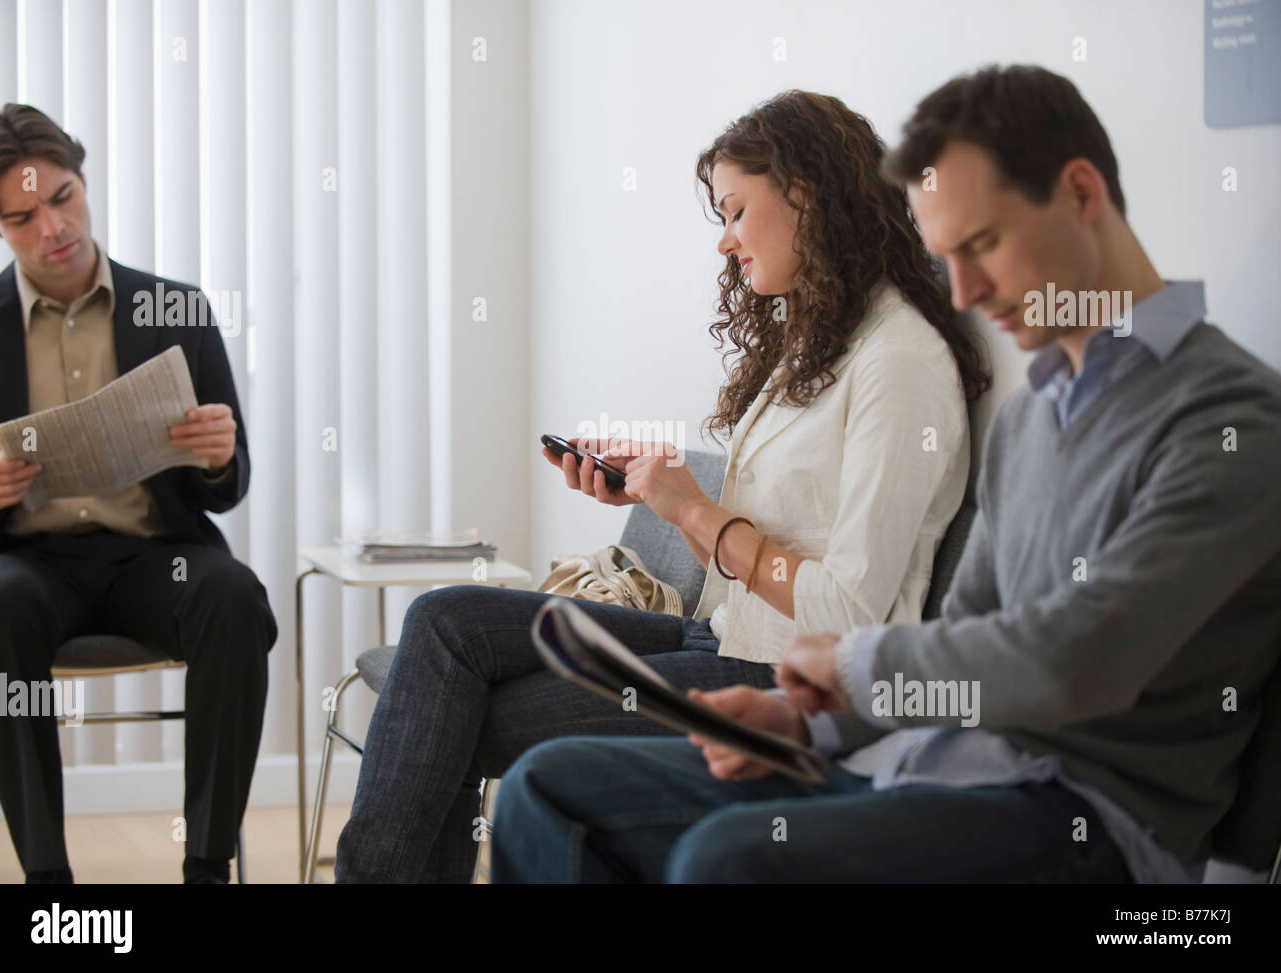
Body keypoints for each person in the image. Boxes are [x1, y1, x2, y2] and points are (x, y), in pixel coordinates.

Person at [488, 64, 1281, 884]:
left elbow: (1078, 660)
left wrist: (853, 670)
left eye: (980, 246)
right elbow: (958, 643)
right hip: (924, 762)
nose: (966, 291)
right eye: (949, 256)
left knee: (727, 862)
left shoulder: (1228, 421)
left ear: (1080, 194)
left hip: (1084, 818)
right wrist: (802, 722)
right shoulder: (1032, 419)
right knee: (545, 791)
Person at [334, 90, 990, 883]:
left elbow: (848, 613)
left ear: (806, 195)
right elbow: (768, 532)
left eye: (736, 210)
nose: (725, 242)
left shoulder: (901, 364)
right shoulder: (819, 343)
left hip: (784, 681)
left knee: (466, 715)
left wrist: (699, 513)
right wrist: (660, 494)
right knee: (444, 621)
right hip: (722, 636)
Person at [0, 103, 276, 884]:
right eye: (23, 215)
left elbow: (230, 483)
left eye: (63, 196)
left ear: (83, 182)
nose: (53, 227)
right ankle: (48, 881)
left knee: (234, 597)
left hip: (157, 559)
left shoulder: (175, 306)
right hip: (28, 563)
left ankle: (207, 865)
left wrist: (217, 455)